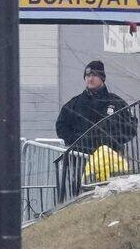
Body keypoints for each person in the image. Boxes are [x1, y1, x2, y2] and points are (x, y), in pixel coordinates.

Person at [53, 61, 135, 197]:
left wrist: (115, 141)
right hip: (82, 159)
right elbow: (61, 126)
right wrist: (77, 141)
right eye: (87, 76)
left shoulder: (116, 103)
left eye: (94, 75)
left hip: (111, 159)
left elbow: (130, 126)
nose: (90, 79)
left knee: (112, 194)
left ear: (102, 78)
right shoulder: (74, 104)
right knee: (83, 196)